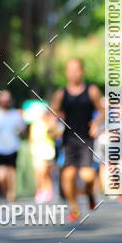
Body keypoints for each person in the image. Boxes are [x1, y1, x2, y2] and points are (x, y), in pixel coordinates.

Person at [51, 58, 103, 221]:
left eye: (76, 69)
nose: (73, 73)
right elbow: (54, 112)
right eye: (70, 70)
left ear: (82, 72)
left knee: (87, 176)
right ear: (67, 73)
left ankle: (89, 193)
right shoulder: (61, 93)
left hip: (86, 138)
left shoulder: (91, 90)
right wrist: (54, 126)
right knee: (68, 175)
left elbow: (102, 111)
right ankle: (74, 208)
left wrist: (96, 123)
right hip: (68, 139)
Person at [0, 90, 26, 200]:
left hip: (13, 147)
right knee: (0, 175)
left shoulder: (16, 114)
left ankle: (11, 193)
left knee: (11, 171)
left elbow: (22, 130)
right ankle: (4, 191)